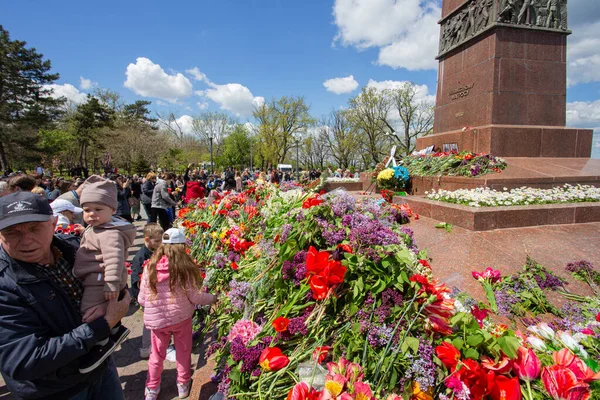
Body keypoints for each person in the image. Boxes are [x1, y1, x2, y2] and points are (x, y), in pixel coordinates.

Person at [0, 191, 130, 400]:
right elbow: (24, 360)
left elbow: (108, 280)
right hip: (56, 391)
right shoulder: (4, 284)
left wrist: (118, 292)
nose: (26, 240)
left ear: (52, 225)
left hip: (100, 368)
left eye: (35, 229)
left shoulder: (73, 248)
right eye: (12, 232)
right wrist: (103, 324)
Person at [139, 228, 217, 400]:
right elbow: (195, 296)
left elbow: (142, 299)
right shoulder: (184, 268)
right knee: (183, 351)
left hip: (158, 322)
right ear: (182, 246)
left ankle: (151, 389)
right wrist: (213, 298)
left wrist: (154, 308)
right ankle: (183, 385)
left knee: (157, 355)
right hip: (181, 318)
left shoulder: (150, 266)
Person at [73, 175, 136, 373]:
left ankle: (101, 345)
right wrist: (84, 230)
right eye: (86, 210)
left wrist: (110, 282)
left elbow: (114, 258)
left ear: (113, 210)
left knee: (89, 311)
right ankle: (115, 329)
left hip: (100, 280)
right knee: (101, 310)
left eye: (98, 210)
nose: (91, 214)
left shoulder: (110, 233)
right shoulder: (98, 228)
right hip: (97, 278)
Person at [131, 223, 164, 359]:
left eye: (161, 240)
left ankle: (160, 345)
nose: (160, 243)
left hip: (158, 292)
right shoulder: (140, 256)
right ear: (146, 240)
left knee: (159, 321)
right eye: (157, 241)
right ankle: (146, 348)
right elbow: (136, 278)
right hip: (147, 295)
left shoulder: (157, 250)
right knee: (149, 323)